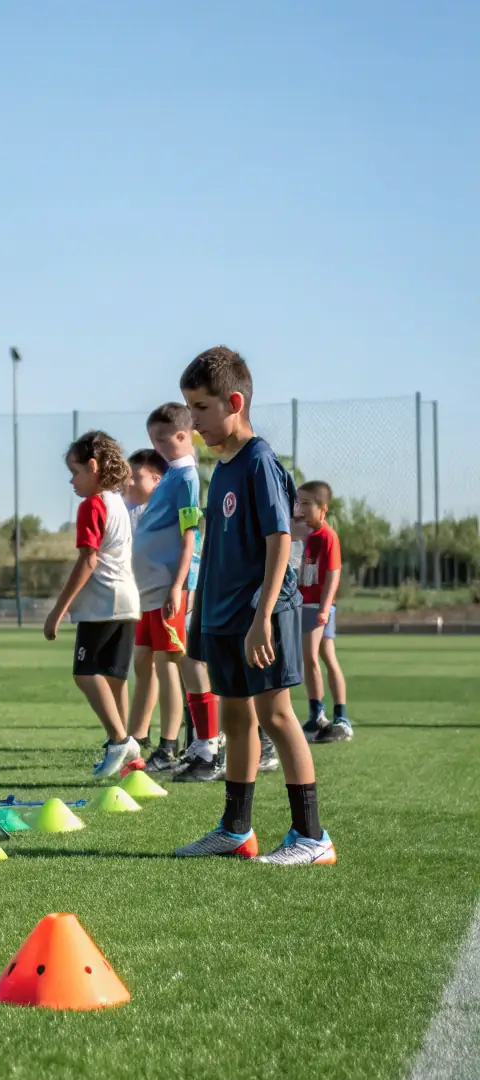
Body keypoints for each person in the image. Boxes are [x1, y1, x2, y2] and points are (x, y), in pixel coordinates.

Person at [173, 347, 336, 866]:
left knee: (276, 714)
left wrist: (263, 615)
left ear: (234, 401)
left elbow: (280, 540)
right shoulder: (221, 466)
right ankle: (236, 831)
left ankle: (312, 837)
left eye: (200, 408)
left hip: (259, 613)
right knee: (237, 719)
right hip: (221, 614)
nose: (193, 421)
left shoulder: (260, 462)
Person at [44, 430, 141, 779]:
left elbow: (88, 560)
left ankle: (120, 740)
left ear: (94, 466)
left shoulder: (93, 505)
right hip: (127, 600)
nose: (72, 481)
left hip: (103, 603)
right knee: (115, 678)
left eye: (75, 472)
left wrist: (58, 610)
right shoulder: (117, 501)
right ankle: (129, 760)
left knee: (85, 674)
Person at [140, 403, 225, 783]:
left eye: (161, 438)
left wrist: (178, 584)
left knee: (187, 664)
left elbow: (191, 533)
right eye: (152, 439)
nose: (156, 446)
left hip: (174, 588)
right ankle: (198, 744)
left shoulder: (187, 477)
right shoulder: (173, 475)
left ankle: (202, 744)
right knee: (176, 664)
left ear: (182, 435)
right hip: (155, 589)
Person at [294, 481, 351, 742]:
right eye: (299, 502)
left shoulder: (328, 536)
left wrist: (325, 609)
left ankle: (323, 715)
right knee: (325, 657)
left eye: (306, 503)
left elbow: (333, 574)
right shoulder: (307, 535)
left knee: (311, 658)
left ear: (323, 509)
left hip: (317, 607)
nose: (300, 508)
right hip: (307, 604)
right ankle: (331, 715)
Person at [122, 448, 166, 763]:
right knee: (142, 664)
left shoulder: (165, 510)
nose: (129, 481)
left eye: (135, 475)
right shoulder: (127, 509)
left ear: (157, 480)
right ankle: (138, 734)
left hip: (167, 599)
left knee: (173, 667)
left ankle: (185, 737)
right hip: (141, 599)